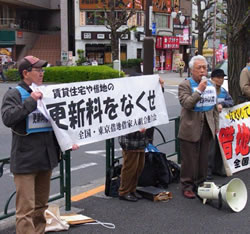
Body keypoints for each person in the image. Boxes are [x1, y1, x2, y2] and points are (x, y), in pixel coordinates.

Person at [1, 55, 61, 234]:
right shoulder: (15, 93)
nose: (42, 74)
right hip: (25, 161)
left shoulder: (48, 94)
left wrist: (69, 141)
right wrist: (31, 101)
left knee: (41, 206)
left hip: (46, 158)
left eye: (43, 70)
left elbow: (58, 124)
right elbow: (8, 118)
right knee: (25, 210)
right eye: (38, 70)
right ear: (25, 73)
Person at [178, 55, 219, 199]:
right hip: (190, 127)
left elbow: (213, 107)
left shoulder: (211, 85)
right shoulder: (185, 85)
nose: (202, 71)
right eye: (199, 68)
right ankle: (187, 185)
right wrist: (199, 91)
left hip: (207, 125)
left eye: (205, 68)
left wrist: (216, 125)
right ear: (191, 70)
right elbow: (187, 103)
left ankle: (201, 183)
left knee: (203, 158)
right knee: (189, 159)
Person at [118, 77, 164, 202]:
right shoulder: (124, 98)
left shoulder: (142, 97)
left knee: (139, 166)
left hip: (141, 139)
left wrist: (159, 87)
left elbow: (155, 99)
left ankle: (132, 189)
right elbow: (121, 118)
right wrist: (136, 127)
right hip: (129, 139)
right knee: (130, 167)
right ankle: (124, 191)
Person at [207, 68, 234, 180]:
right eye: (218, 77)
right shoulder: (208, 89)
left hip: (221, 124)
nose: (221, 80)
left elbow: (231, 102)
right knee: (210, 149)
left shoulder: (223, 91)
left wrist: (222, 104)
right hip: (209, 122)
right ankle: (207, 172)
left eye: (222, 78)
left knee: (219, 148)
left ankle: (218, 169)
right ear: (212, 78)